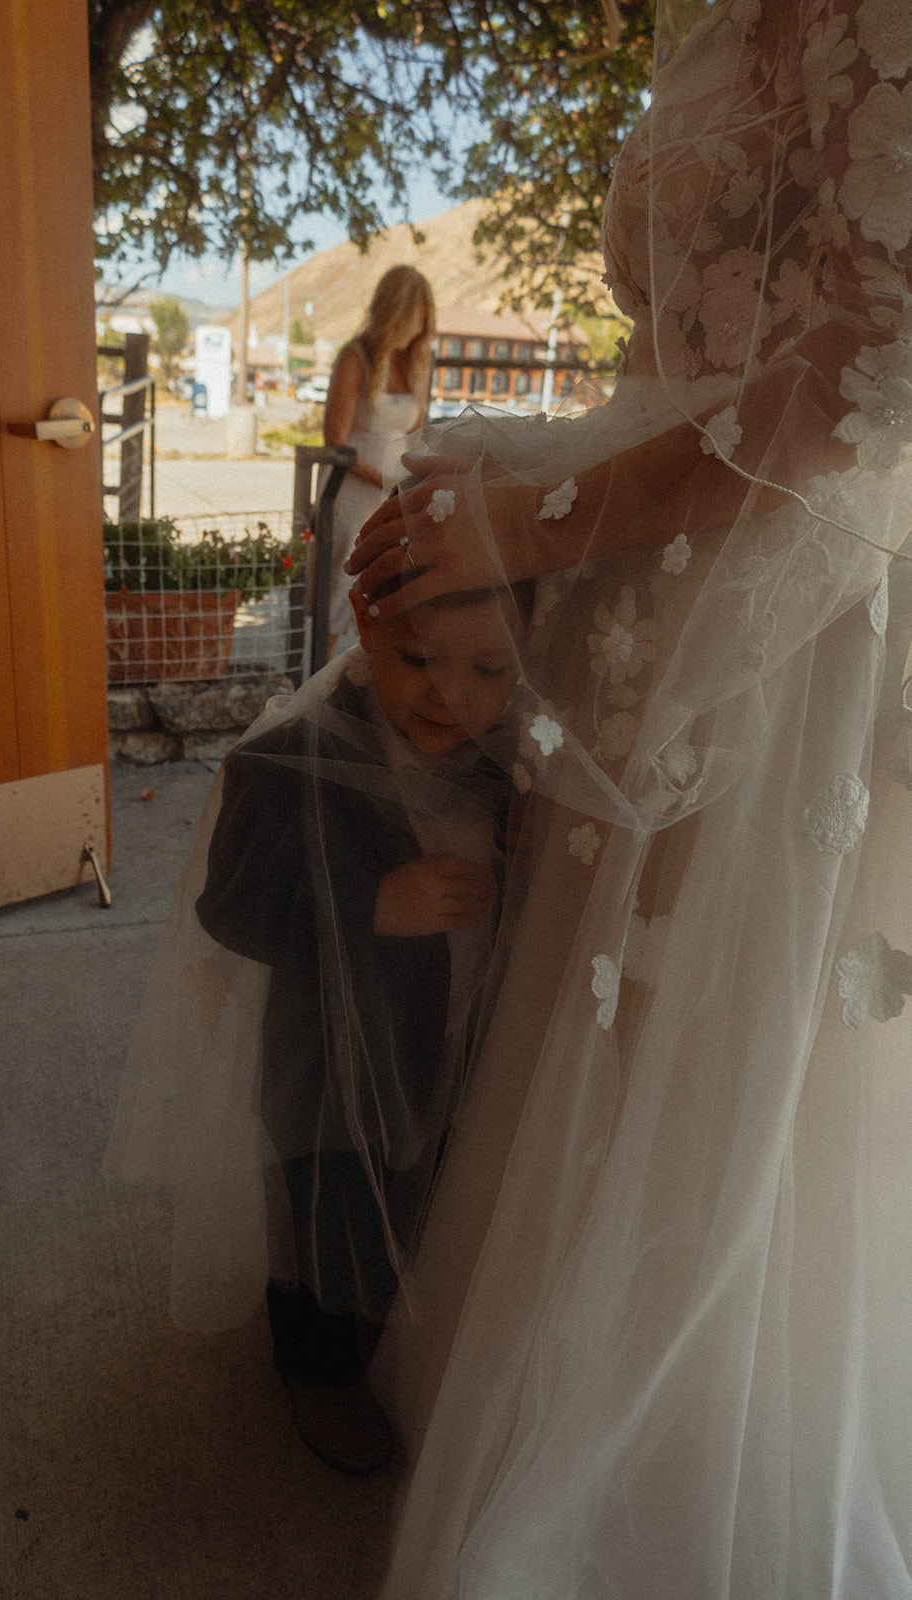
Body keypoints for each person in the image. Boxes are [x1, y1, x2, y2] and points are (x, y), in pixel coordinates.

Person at [345, 0, 912, 1594]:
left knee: (743, 1067)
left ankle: (700, 1479)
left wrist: (537, 516)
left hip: (799, 620)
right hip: (650, 590)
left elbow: (878, 356)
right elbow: (687, 349)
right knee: (606, 1057)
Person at [104, 578, 535, 1476]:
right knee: (321, 1200)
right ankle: (316, 1369)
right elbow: (232, 906)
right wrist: (372, 902)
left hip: (452, 1026)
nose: (448, 693)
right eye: (417, 658)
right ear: (366, 628)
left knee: (422, 1181)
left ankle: (383, 1318)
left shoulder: (508, 758)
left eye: (488, 669)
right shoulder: (286, 758)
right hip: (330, 1052)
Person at [319, 265, 435, 655]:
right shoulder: (356, 358)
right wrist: (380, 480)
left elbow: (416, 435)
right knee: (339, 587)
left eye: (425, 321)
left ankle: (370, 674)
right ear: (394, 312)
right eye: (415, 319)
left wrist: (409, 482)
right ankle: (315, 676)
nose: (420, 330)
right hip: (352, 490)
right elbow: (335, 438)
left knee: (390, 586)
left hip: (394, 492)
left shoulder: (415, 364)